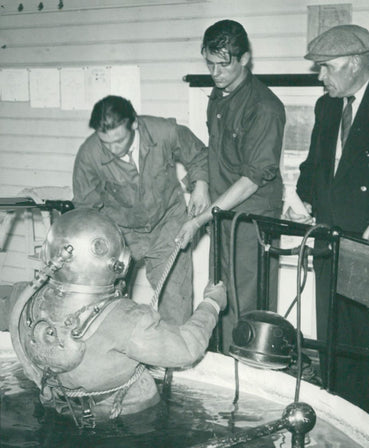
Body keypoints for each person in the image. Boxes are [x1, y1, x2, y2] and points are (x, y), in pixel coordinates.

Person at [290, 24, 369, 434]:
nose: (321, 77)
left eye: (326, 68)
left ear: (356, 63)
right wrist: (305, 197)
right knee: (336, 349)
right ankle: (344, 431)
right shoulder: (327, 108)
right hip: (330, 244)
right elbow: (314, 169)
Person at [8, 208, 226, 426]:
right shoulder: (127, 319)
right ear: (119, 262)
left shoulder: (25, 298)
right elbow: (187, 349)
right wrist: (212, 303)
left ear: (47, 253)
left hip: (57, 412)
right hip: (127, 419)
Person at [176, 19, 286, 353]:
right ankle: (224, 364)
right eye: (209, 64)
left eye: (223, 65)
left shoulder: (265, 107)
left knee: (245, 303)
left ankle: (247, 372)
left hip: (250, 220)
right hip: (222, 216)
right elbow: (215, 151)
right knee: (219, 293)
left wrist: (199, 219)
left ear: (245, 58)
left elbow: (252, 179)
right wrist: (201, 183)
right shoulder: (219, 97)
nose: (215, 73)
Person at [73, 95, 209, 325]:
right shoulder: (89, 154)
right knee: (108, 304)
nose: (113, 149)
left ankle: (172, 359)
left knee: (175, 302)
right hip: (120, 232)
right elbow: (86, 208)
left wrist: (202, 185)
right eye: (106, 142)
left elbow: (198, 155)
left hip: (168, 224)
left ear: (134, 123)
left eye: (119, 140)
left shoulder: (164, 131)